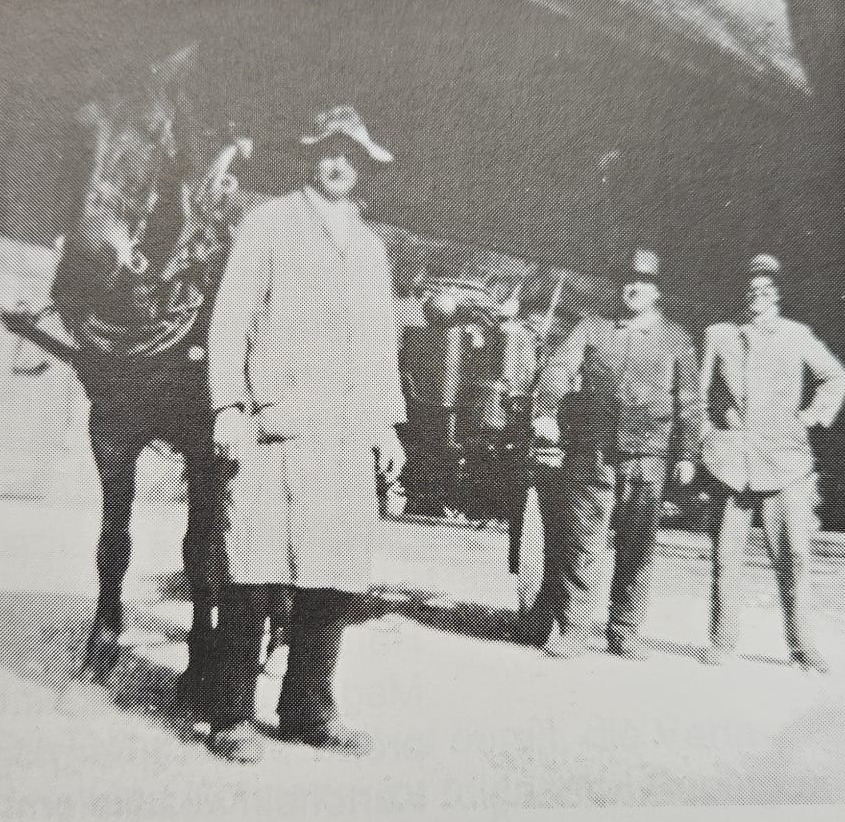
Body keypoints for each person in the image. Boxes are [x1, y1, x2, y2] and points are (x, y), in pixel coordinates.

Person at [205, 105, 406, 762]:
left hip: (345, 436)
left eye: (350, 151)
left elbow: (381, 344)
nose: (338, 161)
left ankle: (307, 711)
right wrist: (227, 406)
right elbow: (230, 317)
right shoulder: (267, 224)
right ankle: (231, 714)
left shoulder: (371, 248)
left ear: (363, 163)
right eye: (327, 149)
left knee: (333, 577)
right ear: (311, 156)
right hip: (276, 428)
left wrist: (386, 425)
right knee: (252, 573)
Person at [531, 249, 700, 660]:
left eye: (643, 282)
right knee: (583, 542)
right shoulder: (592, 327)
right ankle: (574, 630)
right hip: (593, 453)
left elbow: (689, 402)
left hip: (648, 456)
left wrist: (687, 453)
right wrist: (546, 410)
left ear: (657, 292)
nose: (633, 288)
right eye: (627, 279)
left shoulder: (676, 340)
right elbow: (557, 368)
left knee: (636, 546)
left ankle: (624, 631)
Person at [700, 254, 845, 672]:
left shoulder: (798, 335)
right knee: (726, 557)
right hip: (734, 463)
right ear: (742, 293)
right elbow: (699, 393)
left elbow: (835, 376)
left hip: (786, 464)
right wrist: (710, 436)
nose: (758, 295)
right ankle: (722, 642)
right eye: (752, 288)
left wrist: (812, 415)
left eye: (767, 288)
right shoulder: (720, 335)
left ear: (780, 295)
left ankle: (802, 647)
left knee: (795, 555)